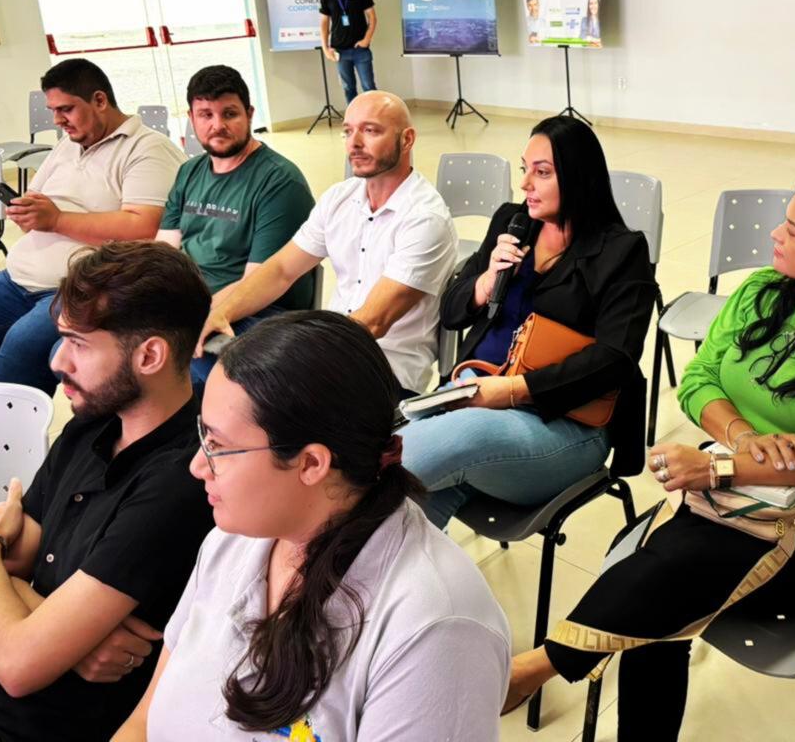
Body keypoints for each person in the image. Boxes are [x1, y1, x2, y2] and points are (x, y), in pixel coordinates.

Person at [503, 171, 795, 737]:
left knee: (660, 579)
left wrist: (717, 466)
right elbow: (698, 379)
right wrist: (740, 438)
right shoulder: (763, 291)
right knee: (653, 589)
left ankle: (539, 666)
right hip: (724, 495)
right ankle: (544, 671)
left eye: (793, 230)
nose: (775, 234)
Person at [113, 312, 511, 741]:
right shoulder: (231, 541)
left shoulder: (437, 632)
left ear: (311, 464)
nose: (197, 466)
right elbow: (143, 723)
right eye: (203, 435)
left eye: (218, 446)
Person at [0, 241, 216, 741]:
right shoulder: (94, 421)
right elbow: (18, 560)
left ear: (150, 355)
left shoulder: (181, 482)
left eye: (79, 343)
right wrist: (68, 639)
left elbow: (18, 663)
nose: (57, 361)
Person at [401, 116, 657, 528]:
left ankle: (337, 502)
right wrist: (485, 282)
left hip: (566, 423)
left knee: (412, 458)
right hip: (476, 389)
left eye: (542, 173)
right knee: (407, 507)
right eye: (525, 169)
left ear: (579, 177)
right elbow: (451, 313)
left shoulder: (621, 252)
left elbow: (616, 359)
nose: (525, 185)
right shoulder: (513, 223)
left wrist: (513, 391)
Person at [0, 58, 184, 454]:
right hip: (18, 279)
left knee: (19, 347)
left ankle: (3, 460)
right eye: (53, 110)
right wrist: (28, 212)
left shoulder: (148, 149)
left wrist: (55, 219)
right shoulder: (67, 147)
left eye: (66, 109)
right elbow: (39, 201)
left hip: (83, 287)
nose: (57, 120)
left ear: (100, 100)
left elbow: (144, 225)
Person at [194, 92, 456, 398]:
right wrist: (222, 312)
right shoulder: (339, 198)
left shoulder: (425, 218)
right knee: (199, 352)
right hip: (330, 347)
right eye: (348, 131)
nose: (354, 143)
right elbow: (281, 270)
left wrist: (296, 357)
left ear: (407, 139)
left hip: (385, 371)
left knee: (246, 391)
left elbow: (373, 322)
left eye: (370, 131)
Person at [155, 65, 315, 385]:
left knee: (182, 371)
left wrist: (183, 321)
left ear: (250, 114)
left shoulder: (279, 182)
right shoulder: (189, 172)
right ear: (191, 118)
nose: (218, 125)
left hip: (256, 312)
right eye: (206, 115)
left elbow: (257, 281)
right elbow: (163, 252)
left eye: (229, 114)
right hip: (194, 306)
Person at [319, 0, 377, 103]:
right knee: (348, 88)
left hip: (360, 49)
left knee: (369, 87)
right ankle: (354, 117)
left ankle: (374, 116)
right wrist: (325, 48)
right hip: (340, 51)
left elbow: (372, 17)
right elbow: (324, 23)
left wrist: (366, 40)